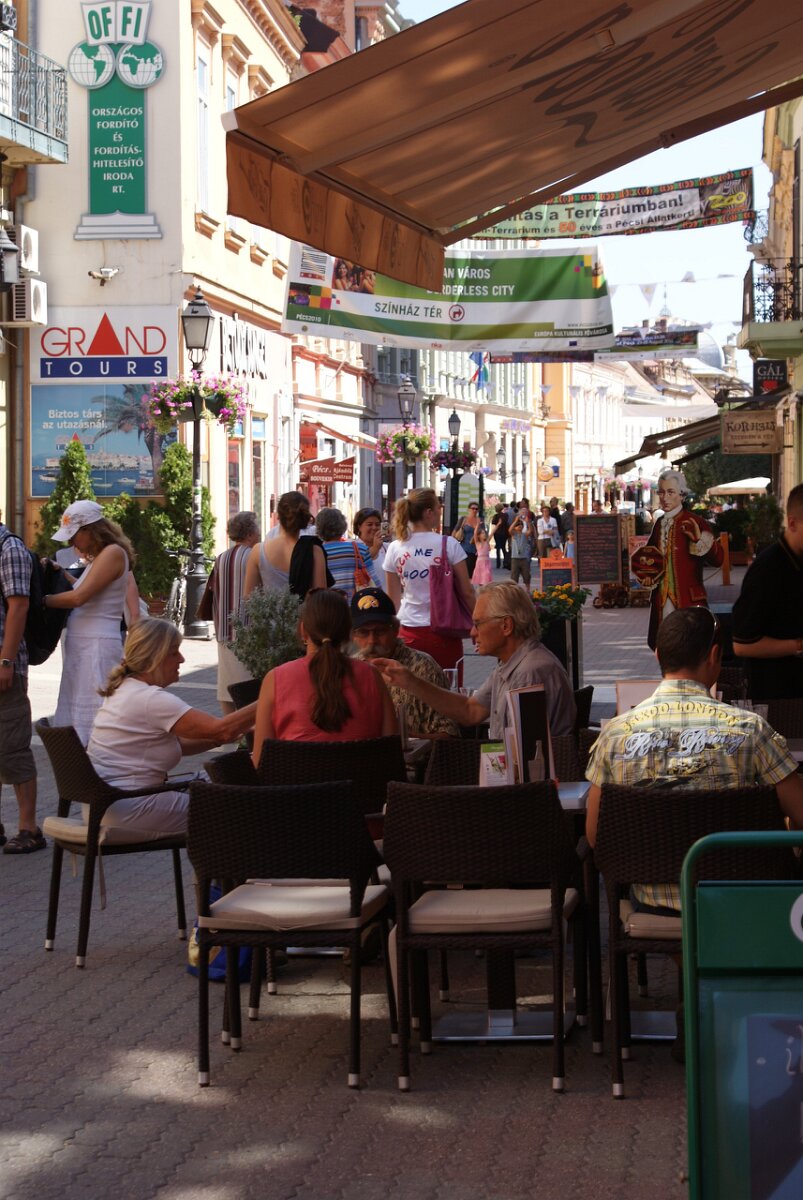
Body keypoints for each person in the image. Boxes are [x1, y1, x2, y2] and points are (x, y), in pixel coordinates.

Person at [584, 606, 803, 907]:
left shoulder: (614, 735)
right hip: (740, 904)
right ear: (714, 656)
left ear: (658, 656)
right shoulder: (750, 730)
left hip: (652, 905)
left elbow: (596, 836)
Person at [87, 618, 257, 840]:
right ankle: (230, 862)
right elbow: (221, 729)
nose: (182, 659)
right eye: (174, 652)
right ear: (155, 657)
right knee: (240, 808)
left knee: (220, 780)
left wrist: (226, 736)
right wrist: (271, 694)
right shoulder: (150, 699)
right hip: (130, 806)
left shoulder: (125, 689)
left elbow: (183, 743)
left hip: (108, 804)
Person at [373, 581, 576, 739]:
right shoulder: (512, 663)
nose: (472, 633)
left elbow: (526, 759)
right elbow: (471, 711)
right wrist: (410, 681)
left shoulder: (530, 672)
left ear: (506, 626)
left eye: (478, 624)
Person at [251, 588, 396, 766]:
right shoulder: (372, 676)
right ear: (348, 632)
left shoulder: (275, 679)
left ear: (303, 630)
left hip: (294, 783)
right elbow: (392, 755)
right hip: (364, 784)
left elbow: (261, 763)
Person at [45, 501, 135, 745]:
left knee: (95, 716)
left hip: (96, 645)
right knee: (80, 716)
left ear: (90, 530)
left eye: (74, 535)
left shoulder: (112, 553)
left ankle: (95, 763)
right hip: (87, 644)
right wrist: (61, 573)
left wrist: (42, 601)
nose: (71, 542)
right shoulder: (103, 556)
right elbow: (84, 590)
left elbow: (79, 598)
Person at [383, 487, 474, 675]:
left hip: (407, 629)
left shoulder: (395, 548)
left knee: (409, 689)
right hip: (444, 631)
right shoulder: (448, 544)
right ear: (428, 512)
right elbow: (467, 592)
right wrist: (479, 621)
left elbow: (393, 600)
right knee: (447, 687)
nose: (440, 512)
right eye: (438, 508)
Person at [350, 587, 459, 739]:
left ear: (395, 630)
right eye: (363, 632)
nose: (372, 640)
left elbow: (448, 735)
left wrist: (403, 739)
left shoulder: (423, 667)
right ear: (353, 635)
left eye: (380, 631)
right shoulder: (350, 669)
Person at [732, 482, 803, 700]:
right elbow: (742, 645)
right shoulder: (768, 569)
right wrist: (798, 645)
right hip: (779, 699)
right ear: (792, 523)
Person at [0, 512, 43, 853]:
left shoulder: (9, 548)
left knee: (13, 746)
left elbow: (19, 607)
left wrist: (6, 661)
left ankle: (29, 828)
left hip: (5, 667)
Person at [642, 470, 723, 651]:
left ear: (682, 495)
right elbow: (649, 558)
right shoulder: (659, 524)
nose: (664, 497)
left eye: (670, 492)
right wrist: (647, 575)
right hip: (663, 602)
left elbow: (718, 559)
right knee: (666, 648)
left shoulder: (696, 522)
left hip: (689, 602)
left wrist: (698, 539)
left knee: (691, 648)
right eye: (661, 492)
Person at [205, 511, 260, 715]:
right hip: (248, 628)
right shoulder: (254, 555)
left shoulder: (221, 558)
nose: (259, 532)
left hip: (224, 627)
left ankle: (229, 723)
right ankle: (246, 726)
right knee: (248, 683)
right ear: (250, 533)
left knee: (226, 683)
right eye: (256, 528)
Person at [244, 491, 328, 602]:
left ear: (278, 516)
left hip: (269, 613)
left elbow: (249, 598)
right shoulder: (314, 551)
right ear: (304, 519)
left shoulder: (258, 551)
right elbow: (321, 600)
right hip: (305, 613)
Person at [315, 506, 381, 602]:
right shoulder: (360, 550)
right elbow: (375, 583)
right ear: (343, 526)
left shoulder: (316, 553)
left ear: (319, 528)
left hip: (327, 607)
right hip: (356, 607)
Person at [452, 501, 483, 579]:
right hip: (464, 549)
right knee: (465, 573)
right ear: (469, 509)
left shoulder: (480, 521)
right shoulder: (463, 519)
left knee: (473, 574)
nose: (474, 510)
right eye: (473, 508)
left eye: (476, 509)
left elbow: (483, 535)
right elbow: (454, 532)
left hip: (475, 550)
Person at [508, 502, 535, 586]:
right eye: (517, 525)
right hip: (515, 557)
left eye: (521, 525)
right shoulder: (514, 534)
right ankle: (514, 589)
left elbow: (530, 531)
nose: (519, 526)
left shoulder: (524, 534)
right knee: (514, 575)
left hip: (524, 557)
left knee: (526, 574)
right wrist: (516, 520)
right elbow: (510, 530)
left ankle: (527, 589)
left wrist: (528, 522)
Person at [490, 503, 510, 570]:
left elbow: (493, 522)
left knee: (498, 548)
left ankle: (498, 563)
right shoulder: (506, 515)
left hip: (497, 533)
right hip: (504, 533)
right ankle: (505, 562)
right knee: (504, 548)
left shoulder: (496, 516)